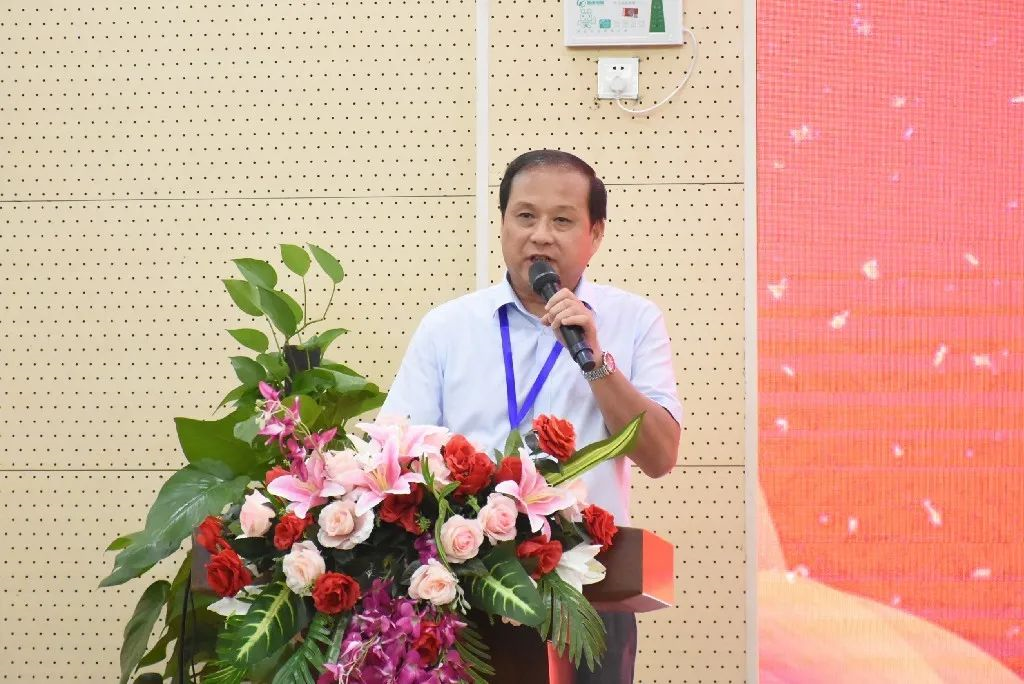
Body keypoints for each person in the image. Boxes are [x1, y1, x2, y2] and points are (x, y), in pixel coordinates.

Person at [381, 149, 683, 683]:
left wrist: (595, 360)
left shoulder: (633, 320)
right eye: (525, 216)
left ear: (595, 234)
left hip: (586, 597)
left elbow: (659, 455)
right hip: (464, 593)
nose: (541, 235)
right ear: (502, 224)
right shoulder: (448, 327)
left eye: (562, 220)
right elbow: (393, 453)